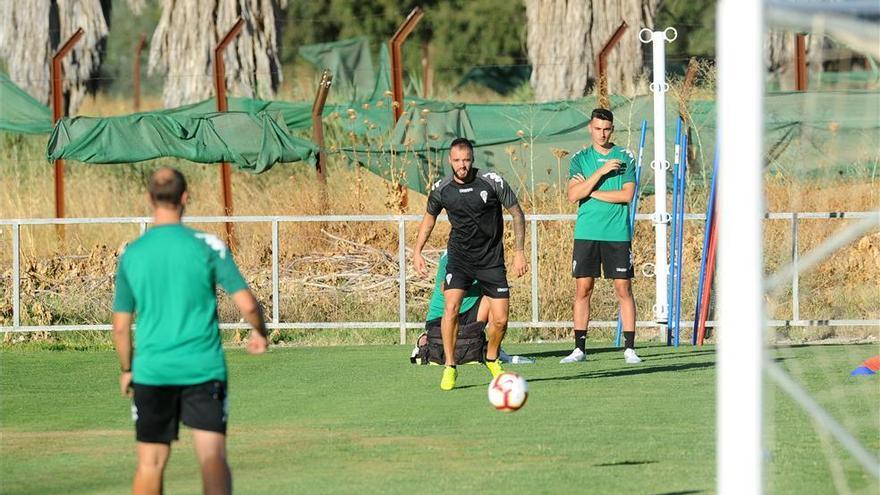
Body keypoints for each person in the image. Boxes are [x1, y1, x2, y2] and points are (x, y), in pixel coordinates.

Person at [112, 167, 269, 495]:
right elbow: (249, 306)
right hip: (203, 369)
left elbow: (121, 326)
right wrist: (260, 332)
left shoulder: (133, 253)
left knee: (150, 463)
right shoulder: (207, 245)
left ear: (149, 198)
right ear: (185, 197)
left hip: (153, 371)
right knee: (212, 458)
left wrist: (128, 369)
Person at [413, 137, 529, 390]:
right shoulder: (442, 188)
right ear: (450, 161)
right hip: (459, 259)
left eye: (466, 160)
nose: (462, 165)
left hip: (491, 260)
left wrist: (519, 251)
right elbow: (429, 219)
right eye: (457, 160)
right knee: (451, 308)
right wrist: (417, 251)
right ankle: (450, 366)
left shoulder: (491, 181)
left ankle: (491, 357)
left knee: (500, 321)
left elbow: (517, 213)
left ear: (472, 159)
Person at [560, 108, 642, 365]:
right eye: (597, 128)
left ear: (612, 129)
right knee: (583, 288)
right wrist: (601, 173)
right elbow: (573, 195)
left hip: (617, 233)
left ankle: (629, 348)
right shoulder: (581, 158)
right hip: (587, 232)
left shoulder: (624, 156)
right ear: (590, 129)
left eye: (606, 129)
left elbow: (627, 195)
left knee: (623, 288)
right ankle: (579, 349)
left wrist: (590, 191)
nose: (602, 133)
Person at [419, 251, 533, 365]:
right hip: (442, 316)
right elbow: (445, 287)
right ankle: (428, 344)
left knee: (495, 297)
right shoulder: (451, 254)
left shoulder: (486, 253)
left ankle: (493, 352)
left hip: (470, 312)